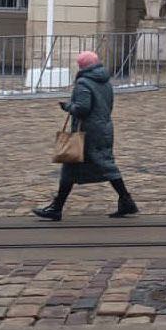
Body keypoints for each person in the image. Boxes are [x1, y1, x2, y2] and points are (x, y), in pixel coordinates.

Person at [32, 51, 138, 221]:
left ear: (81, 66)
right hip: (104, 128)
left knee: (103, 166)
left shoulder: (83, 83)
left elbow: (82, 108)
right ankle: (57, 207)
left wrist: (67, 106)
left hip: (88, 132)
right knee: (81, 167)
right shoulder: (105, 82)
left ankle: (57, 208)